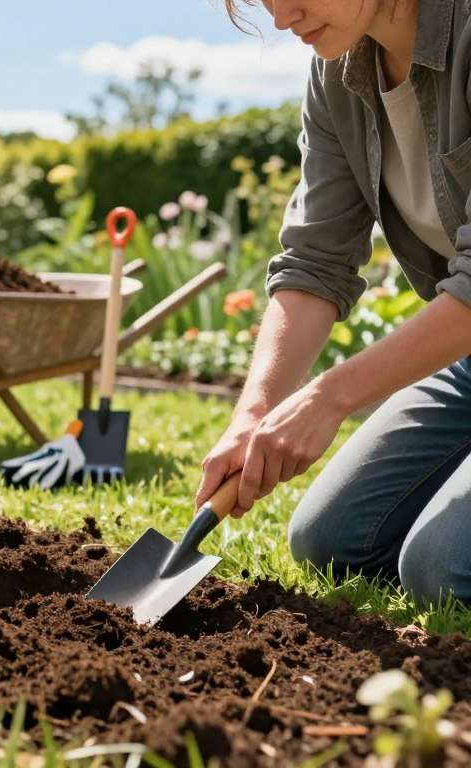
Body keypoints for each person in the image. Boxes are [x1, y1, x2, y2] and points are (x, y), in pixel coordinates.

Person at [197, 0, 471, 605]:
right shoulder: (339, 74)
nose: (280, 15)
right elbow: (315, 261)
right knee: (334, 541)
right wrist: (255, 411)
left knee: (443, 571)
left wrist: (329, 398)